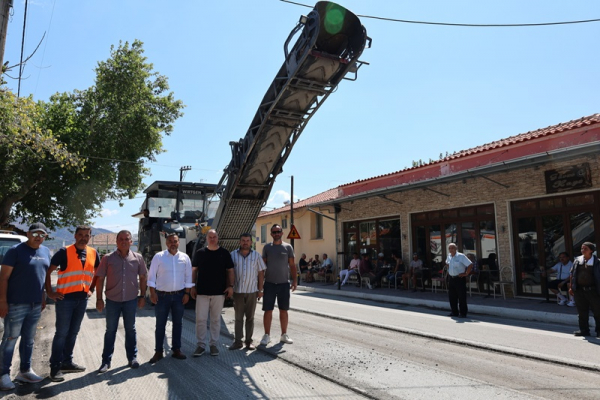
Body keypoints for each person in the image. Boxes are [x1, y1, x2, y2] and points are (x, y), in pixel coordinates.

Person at [46, 225, 100, 382]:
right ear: (75, 236)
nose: (83, 237)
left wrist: (92, 289)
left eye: (87, 235)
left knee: (73, 332)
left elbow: (98, 272)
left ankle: (67, 362)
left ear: (90, 237)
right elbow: (48, 272)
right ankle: (55, 367)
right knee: (61, 333)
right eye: (81, 235)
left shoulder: (93, 253)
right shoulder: (64, 252)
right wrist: (50, 293)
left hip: (82, 299)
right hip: (65, 300)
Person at [0, 223, 51, 390]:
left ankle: (24, 371)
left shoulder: (45, 252)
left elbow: (42, 278)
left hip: (35, 304)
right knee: (10, 339)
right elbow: (3, 278)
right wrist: (2, 301)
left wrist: (43, 297)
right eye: (35, 233)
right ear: (29, 233)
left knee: (29, 340)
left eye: (42, 235)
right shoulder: (15, 250)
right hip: (15, 304)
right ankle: (2, 374)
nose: (38, 237)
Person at [95, 230, 147, 373]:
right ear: (117, 241)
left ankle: (132, 358)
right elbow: (100, 279)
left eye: (127, 239)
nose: (124, 241)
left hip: (131, 300)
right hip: (112, 301)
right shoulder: (107, 258)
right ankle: (106, 361)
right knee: (110, 331)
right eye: (121, 239)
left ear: (131, 242)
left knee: (131, 330)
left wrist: (142, 296)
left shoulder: (138, 258)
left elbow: (143, 278)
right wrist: (99, 299)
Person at [147, 233, 193, 362]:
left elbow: (188, 277)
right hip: (162, 296)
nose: (173, 243)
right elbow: (151, 277)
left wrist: (187, 293)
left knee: (178, 324)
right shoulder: (159, 257)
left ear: (179, 243)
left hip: (179, 296)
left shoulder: (185, 258)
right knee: (160, 325)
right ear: (166, 243)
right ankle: (158, 351)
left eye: (175, 241)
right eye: (170, 241)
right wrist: (152, 293)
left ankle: (176, 349)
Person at [190, 229, 234, 357]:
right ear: (207, 238)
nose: (212, 239)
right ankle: (200, 345)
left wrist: (230, 286)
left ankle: (213, 345)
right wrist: (192, 286)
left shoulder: (224, 253)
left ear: (217, 238)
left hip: (219, 293)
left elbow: (230, 270)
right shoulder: (200, 253)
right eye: (210, 237)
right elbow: (194, 271)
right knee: (201, 319)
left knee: (215, 320)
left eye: (214, 237)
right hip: (202, 292)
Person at [260, 224, 297, 346]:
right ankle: (266, 335)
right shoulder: (267, 248)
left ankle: (284, 335)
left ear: (282, 233)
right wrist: (260, 286)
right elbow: (262, 268)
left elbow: (292, 265)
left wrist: (295, 281)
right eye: (274, 232)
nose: (276, 233)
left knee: (284, 310)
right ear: (271, 234)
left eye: (278, 231)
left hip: (283, 284)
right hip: (269, 284)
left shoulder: (288, 247)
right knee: (268, 310)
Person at [229, 233, 265, 351]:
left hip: (252, 291)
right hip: (238, 291)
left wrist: (260, 290)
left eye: (247, 240)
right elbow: (228, 272)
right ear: (240, 242)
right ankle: (238, 341)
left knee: (250, 317)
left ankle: (249, 341)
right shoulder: (233, 255)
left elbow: (261, 273)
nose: (245, 242)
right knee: (238, 317)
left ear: (251, 242)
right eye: (243, 240)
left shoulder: (256, 256)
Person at [569, 242, 600, 337]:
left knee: (597, 311)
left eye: (585, 248)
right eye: (582, 248)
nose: (583, 250)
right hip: (580, 290)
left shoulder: (597, 262)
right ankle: (584, 330)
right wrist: (571, 287)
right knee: (582, 311)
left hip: (593, 290)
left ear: (591, 250)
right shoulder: (577, 260)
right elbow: (572, 274)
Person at [445, 243, 473, 318]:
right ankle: (454, 312)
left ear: (456, 248)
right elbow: (447, 263)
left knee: (461, 296)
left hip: (459, 278)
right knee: (452, 296)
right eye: (450, 248)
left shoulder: (461, 256)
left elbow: (470, 264)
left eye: (452, 248)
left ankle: (463, 313)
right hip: (451, 278)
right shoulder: (449, 256)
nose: (451, 250)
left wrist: (466, 273)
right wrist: (449, 271)